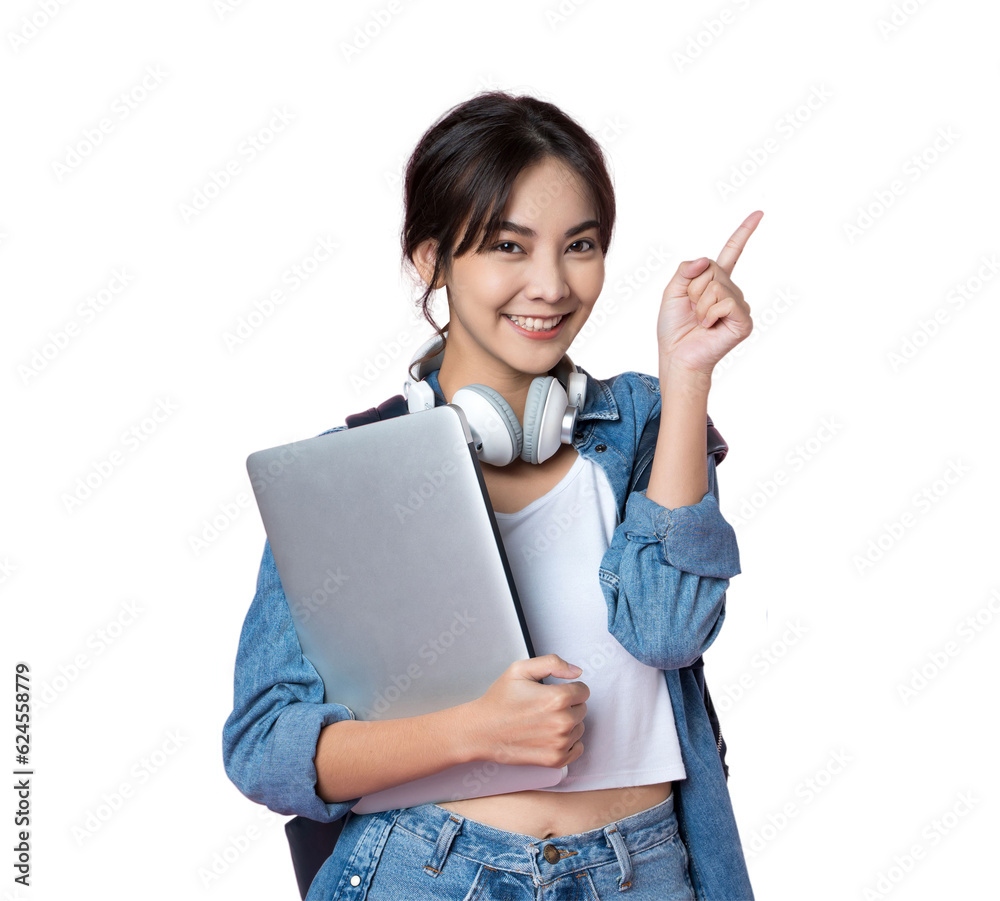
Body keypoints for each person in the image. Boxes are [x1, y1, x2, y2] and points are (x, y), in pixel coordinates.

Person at [223, 90, 762, 900]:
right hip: (427, 865)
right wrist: (473, 732)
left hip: (638, 870)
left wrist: (687, 375)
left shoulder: (646, 423)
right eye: (510, 246)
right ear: (431, 260)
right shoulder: (352, 474)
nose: (550, 284)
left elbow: (669, 631)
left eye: (579, 245)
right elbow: (265, 746)